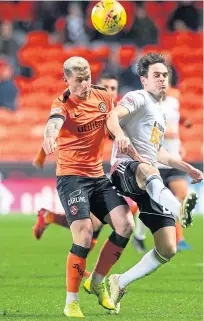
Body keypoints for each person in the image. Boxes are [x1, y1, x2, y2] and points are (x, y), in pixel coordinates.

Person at [105, 52, 203, 313]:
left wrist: (186, 167)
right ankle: (178, 208)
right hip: (125, 170)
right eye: (156, 75)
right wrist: (120, 136)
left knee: (168, 248)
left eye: (164, 75)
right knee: (148, 170)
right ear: (144, 79)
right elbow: (112, 115)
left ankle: (119, 281)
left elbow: (159, 153)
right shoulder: (137, 97)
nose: (162, 79)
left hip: (148, 178)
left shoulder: (159, 113)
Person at [41, 57, 135, 317]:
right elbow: (54, 123)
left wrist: (121, 135)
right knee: (83, 234)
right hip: (71, 177)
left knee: (126, 225)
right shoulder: (63, 104)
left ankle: (95, 281)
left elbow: (111, 121)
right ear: (67, 80)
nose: (85, 84)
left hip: (97, 176)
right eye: (79, 80)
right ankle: (71, 302)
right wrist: (50, 137)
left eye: (88, 78)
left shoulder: (103, 96)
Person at [133, 90, 192, 252]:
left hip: (174, 160)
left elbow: (178, 123)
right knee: (149, 202)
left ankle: (177, 237)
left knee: (181, 196)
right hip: (156, 161)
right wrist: (165, 134)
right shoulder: (146, 106)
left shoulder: (173, 102)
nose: (162, 84)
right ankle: (139, 236)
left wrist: (179, 143)